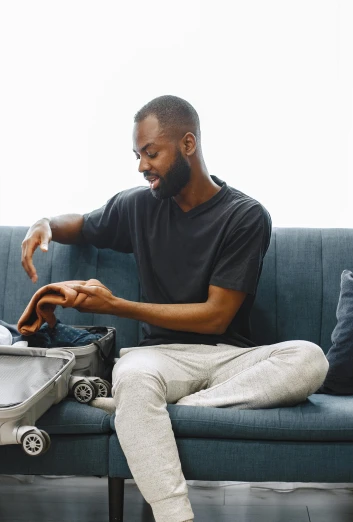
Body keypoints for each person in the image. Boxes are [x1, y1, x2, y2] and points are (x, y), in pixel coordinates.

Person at [21, 95, 328, 522]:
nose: (142, 165)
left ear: (188, 144)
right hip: (158, 358)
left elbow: (216, 315)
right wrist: (45, 224)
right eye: (137, 155)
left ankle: (138, 410)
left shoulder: (245, 215)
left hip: (228, 358)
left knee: (309, 359)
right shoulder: (139, 205)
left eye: (151, 153)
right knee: (135, 376)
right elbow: (84, 225)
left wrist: (118, 306)